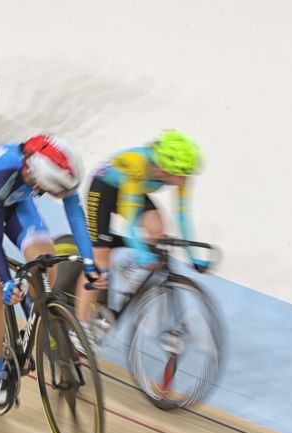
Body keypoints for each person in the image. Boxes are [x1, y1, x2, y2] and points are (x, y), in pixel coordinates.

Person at [0, 134, 104, 407]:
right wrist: (6, 282)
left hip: (15, 202)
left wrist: (91, 262)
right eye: (55, 193)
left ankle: (32, 323)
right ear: (37, 179)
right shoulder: (4, 172)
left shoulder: (55, 165)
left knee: (45, 266)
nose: (60, 197)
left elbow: (75, 216)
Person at [73, 130, 209, 348]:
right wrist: (142, 252)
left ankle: (130, 266)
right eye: (181, 174)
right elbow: (130, 216)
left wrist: (195, 257)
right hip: (104, 189)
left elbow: (182, 216)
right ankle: (79, 328)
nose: (185, 180)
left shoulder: (179, 174)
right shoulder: (138, 164)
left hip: (129, 190)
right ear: (164, 169)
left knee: (158, 228)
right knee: (100, 261)